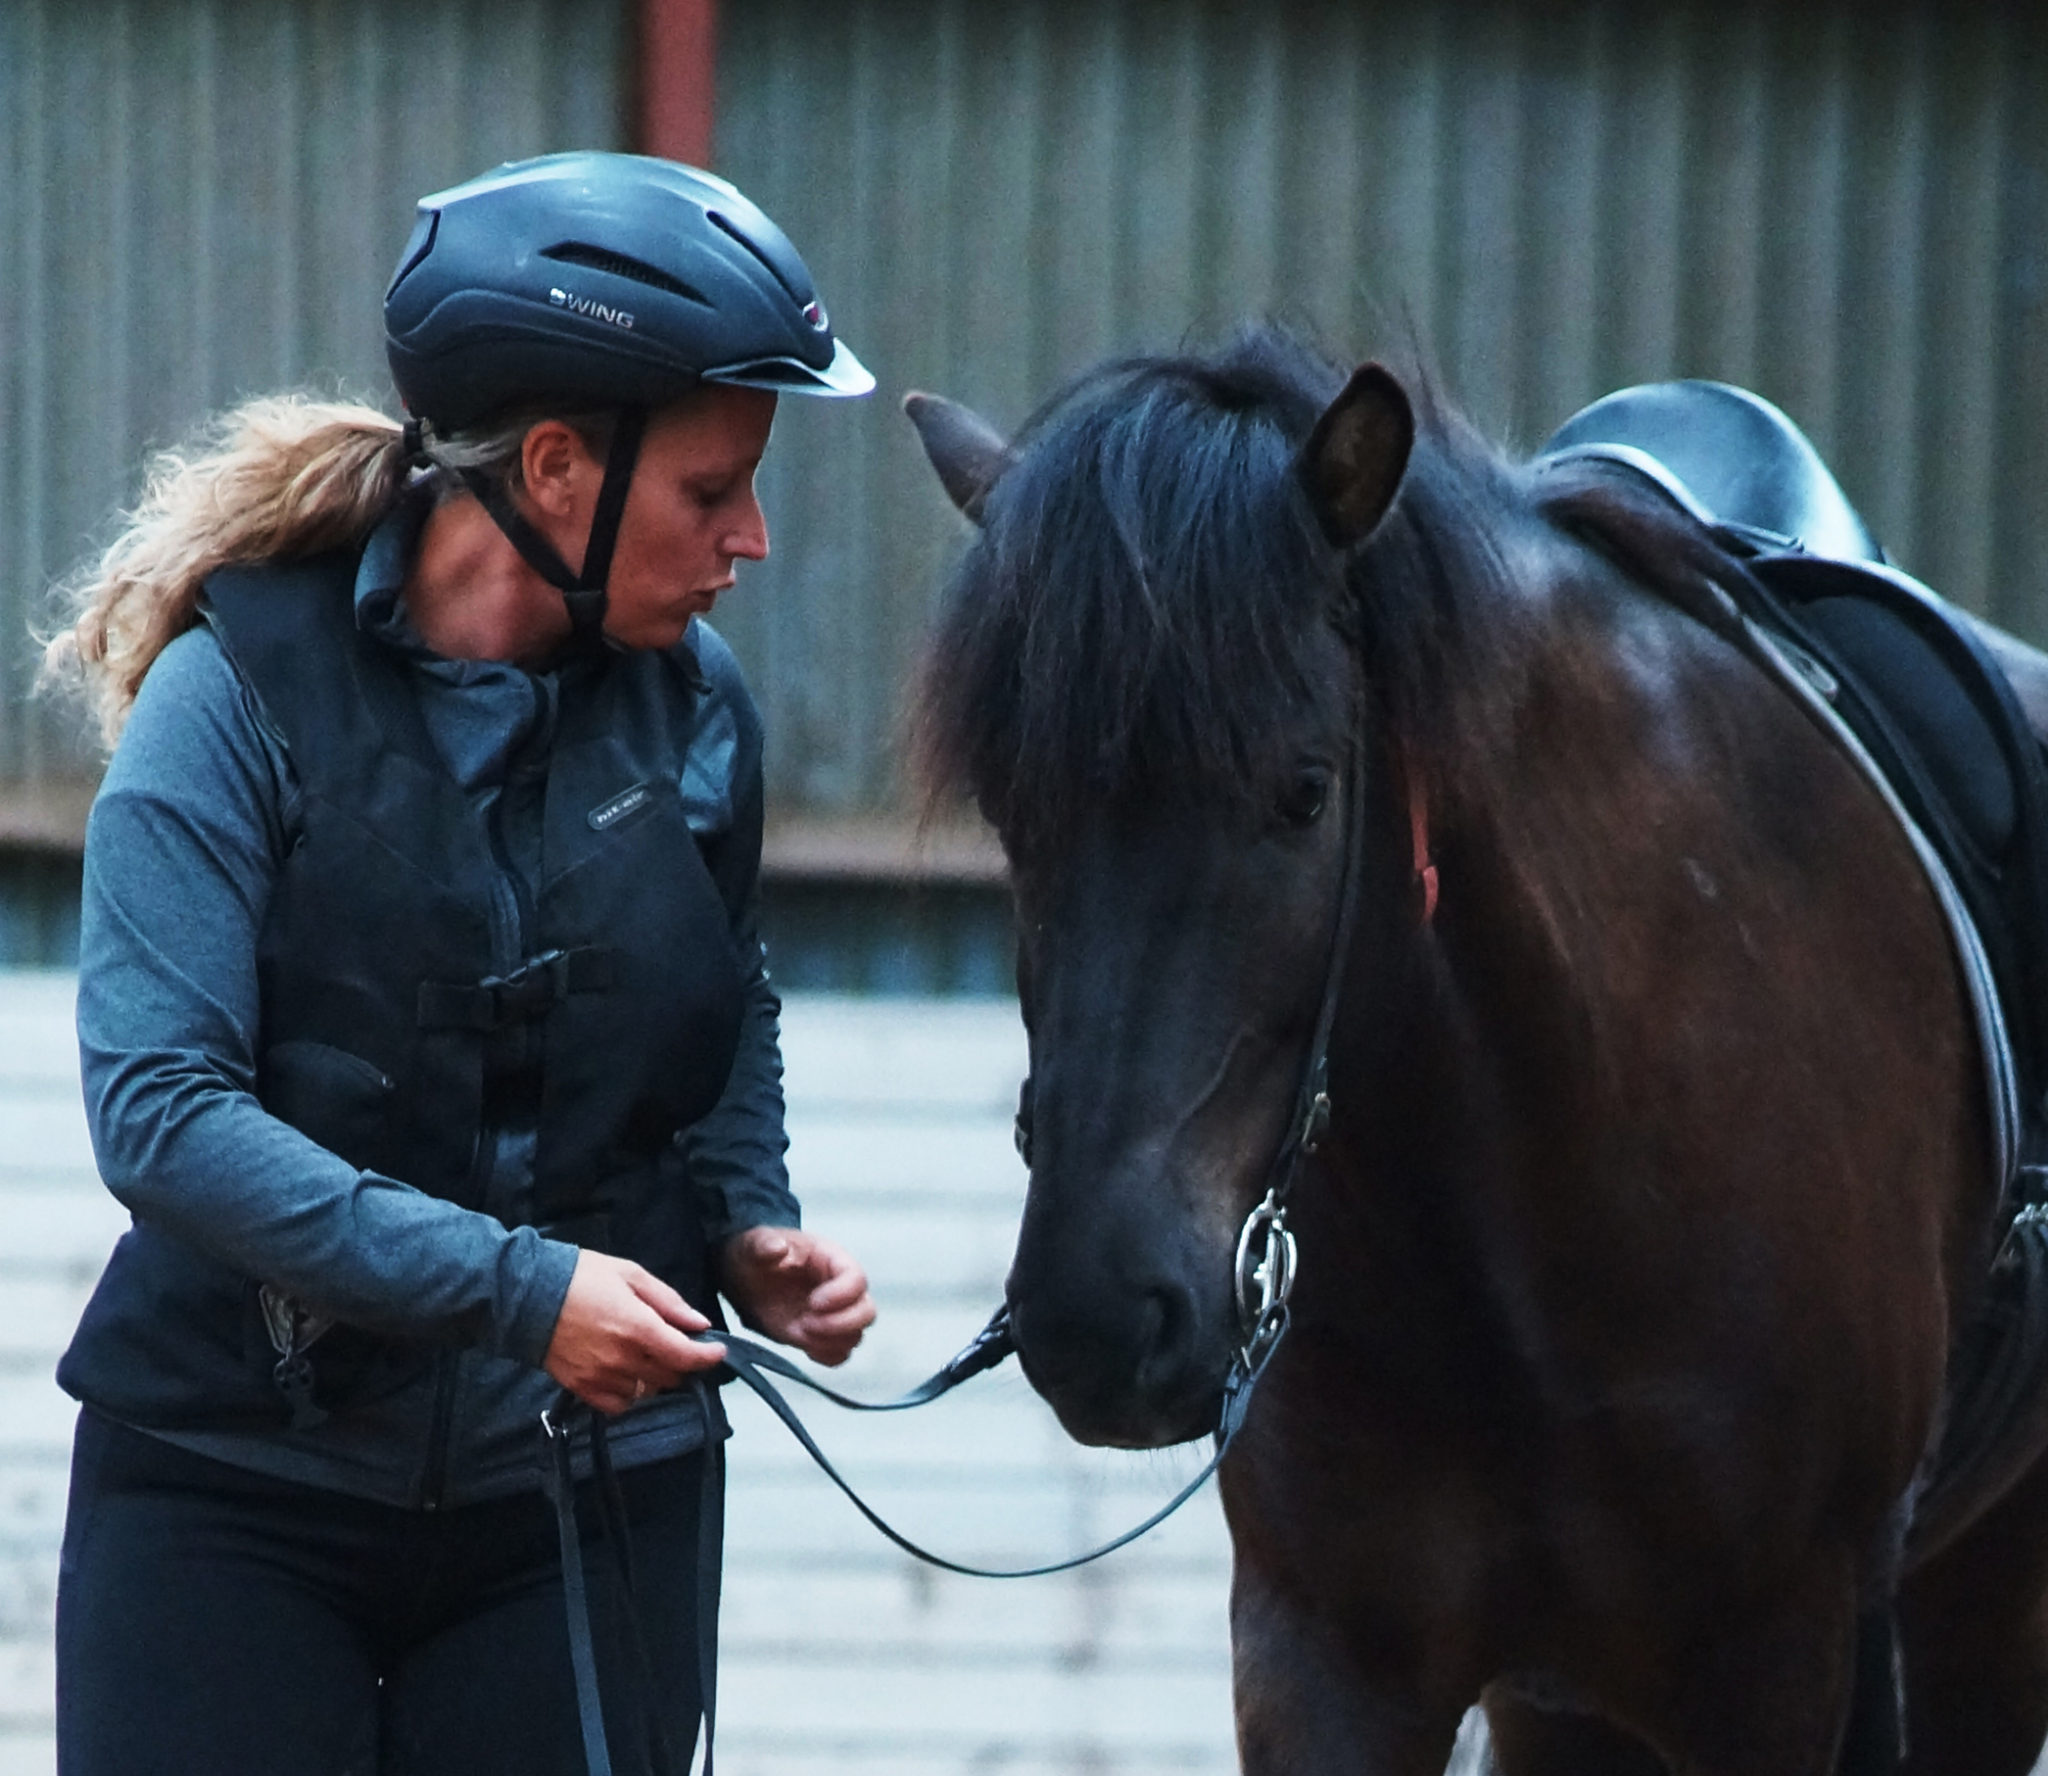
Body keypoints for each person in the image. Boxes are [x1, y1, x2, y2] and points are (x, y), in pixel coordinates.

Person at [40, 150, 877, 1776]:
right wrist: (523, 1291)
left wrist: (748, 1213)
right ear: (558, 467)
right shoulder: (236, 699)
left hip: (588, 1509)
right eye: (715, 490)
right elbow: (158, 1115)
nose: (752, 539)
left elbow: (725, 993)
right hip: (232, 1499)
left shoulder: (702, 715)